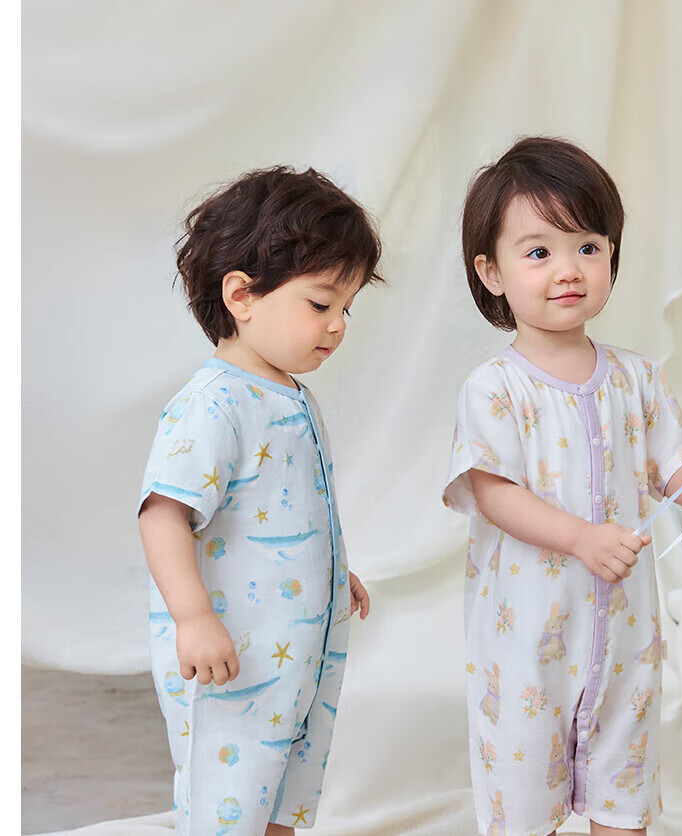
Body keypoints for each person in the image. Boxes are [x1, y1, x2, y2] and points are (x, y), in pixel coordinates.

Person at [442, 137, 682, 836]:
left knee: (624, 783)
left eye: (588, 247)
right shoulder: (494, 388)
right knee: (522, 793)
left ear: (610, 256)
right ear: (491, 272)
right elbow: (493, 492)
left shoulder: (638, 377)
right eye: (539, 251)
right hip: (528, 640)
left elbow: (672, 457)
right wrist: (580, 538)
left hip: (626, 636)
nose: (568, 269)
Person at [138, 166, 380, 835]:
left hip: (296, 652)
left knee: (282, 786)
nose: (337, 325)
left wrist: (332, 571)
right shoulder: (213, 404)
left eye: (346, 308)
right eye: (321, 303)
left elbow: (286, 508)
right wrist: (193, 617)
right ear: (242, 295)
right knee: (231, 790)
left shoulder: (291, 396)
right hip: (232, 655)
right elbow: (163, 514)